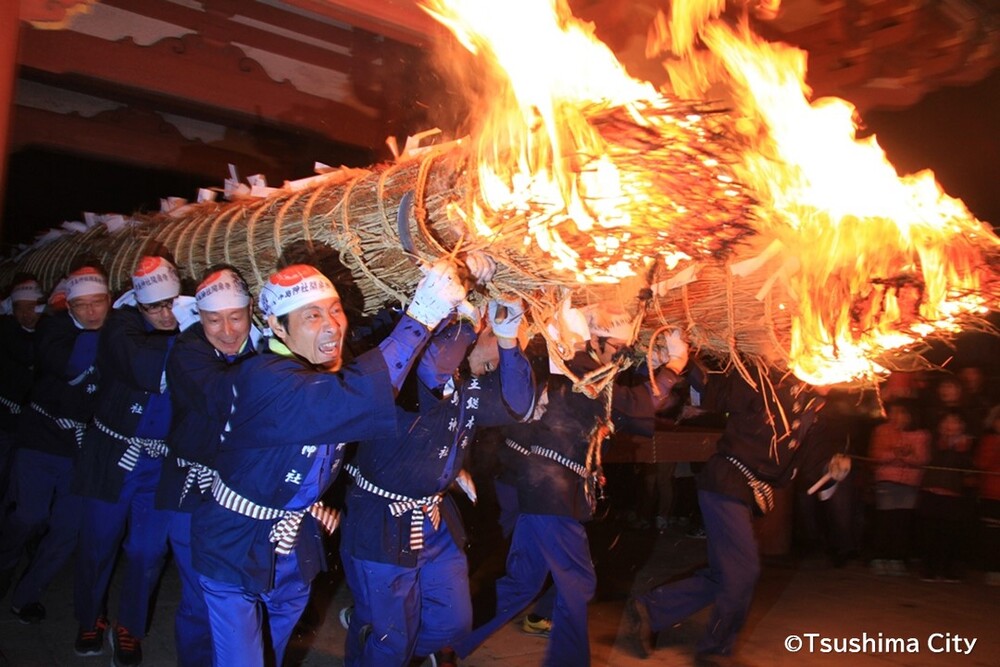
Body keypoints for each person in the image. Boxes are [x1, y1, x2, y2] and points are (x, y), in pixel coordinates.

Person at [190, 259, 468, 667]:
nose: (332, 325)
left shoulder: (324, 366)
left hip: (291, 540)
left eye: (335, 310)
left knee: (275, 652)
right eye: (312, 315)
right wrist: (420, 317)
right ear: (277, 327)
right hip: (232, 541)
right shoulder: (265, 375)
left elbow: (377, 351)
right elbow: (349, 397)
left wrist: (458, 308)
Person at [455, 301, 689, 667]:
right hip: (552, 491)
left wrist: (657, 363)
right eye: (616, 348)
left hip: (546, 491)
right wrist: (672, 369)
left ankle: (450, 645)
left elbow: (626, 406)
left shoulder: (586, 368)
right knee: (578, 584)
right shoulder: (577, 367)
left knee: (523, 584)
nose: (620, 357)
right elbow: (637, 403)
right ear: (594, 339)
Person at [340, 297, 535, 667]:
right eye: (484, 332)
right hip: (381, 524)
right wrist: (467, 312)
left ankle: (376, 633)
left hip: (433, 522)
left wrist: (509, 338)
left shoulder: (468, 390)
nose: (486, 338)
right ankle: (378, 636)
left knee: (452, 625)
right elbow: (434, 365)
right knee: (390, 638)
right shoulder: (406, 381)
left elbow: (518, 405)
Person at [625, 363, 852, 666]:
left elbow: (811, 461)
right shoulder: (766, 381)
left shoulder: (815, 410)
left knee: (727, 574)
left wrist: (830, 468)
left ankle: (652, 610)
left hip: (747, 493)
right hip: (727, 481)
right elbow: (716, 391)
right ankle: (715, 652)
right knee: (742, 572)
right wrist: (687, 362)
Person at [72, 256, 184, 666]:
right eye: (155, 306)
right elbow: (142, 366)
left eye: (173, 303)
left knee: (147, 551)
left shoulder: (196, 328)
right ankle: (89, 618)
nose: (166, 313)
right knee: (97, 544)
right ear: (139, 305)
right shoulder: (120, 328)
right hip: (112, 455)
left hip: (160, 465)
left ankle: (130, 626)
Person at [0, 266, 111, 625]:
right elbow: (71, 365)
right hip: (42, 437)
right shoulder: (54, 328)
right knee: (29, 515)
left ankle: (27, 593)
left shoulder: (116, 329)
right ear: (68, 305)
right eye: (83, 305)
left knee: (68, 528)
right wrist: (115, 327)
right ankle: (4, 561)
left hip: (83, 446)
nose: (93, 312)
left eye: (99, 303)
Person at [160, 266, 258, 666]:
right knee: (201, 595)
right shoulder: (188, 350)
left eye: (236, 317)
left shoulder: (267, 347)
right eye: (214, 320)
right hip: (193, 491)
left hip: (247, 498)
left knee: (247, 596)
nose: (228, 330)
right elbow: (222, 396)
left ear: (251, 311)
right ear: (198, 318)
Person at [868, 399, 930, 575]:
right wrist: (895, 453)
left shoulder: (920, 434)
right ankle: (879, 557)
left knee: (901, 521)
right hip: (887, 480)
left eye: (901, 412)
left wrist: (905, 457)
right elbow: (876, 455)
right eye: (893, 412)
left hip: (909, 483)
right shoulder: (882, 431)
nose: (896, 416)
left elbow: (922, 459)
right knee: (885, 520)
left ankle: (897, 558)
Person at [918, 410, 975, 582]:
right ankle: (929, 568)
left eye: (954, 422)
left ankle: (946, 568)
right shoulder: (932, 442)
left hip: (953, 495)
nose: (950, 426)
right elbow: (928, 459)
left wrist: (960, 449)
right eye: (946, 422)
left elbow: (969, 468)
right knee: (929, 532)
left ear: (962, 426)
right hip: (931, 492)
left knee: (948, 533)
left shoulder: (968, 445)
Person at [0, 277, 44, 498]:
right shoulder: (7, 332)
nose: (27, 314)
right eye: (20, 308)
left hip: (31, 429)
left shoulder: (50, 333)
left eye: (32, 307)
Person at [974, 404, 1000, 585]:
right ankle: (992, 569)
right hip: (993, 493)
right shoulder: (990, 440)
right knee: (992, 535)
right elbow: (981, 463)